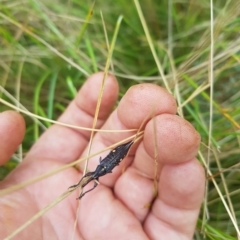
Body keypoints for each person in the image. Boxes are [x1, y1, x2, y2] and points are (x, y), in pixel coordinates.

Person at [0, 72, 205, 240]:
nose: (87, 181)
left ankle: (139, 134)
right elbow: (92, 175)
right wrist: (80, 189)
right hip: (112, 160)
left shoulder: (96, 174)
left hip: (113, 158)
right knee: (96, 172)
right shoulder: (95, 175)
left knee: (104, 165)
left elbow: (96, 172)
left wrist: (83, 187)